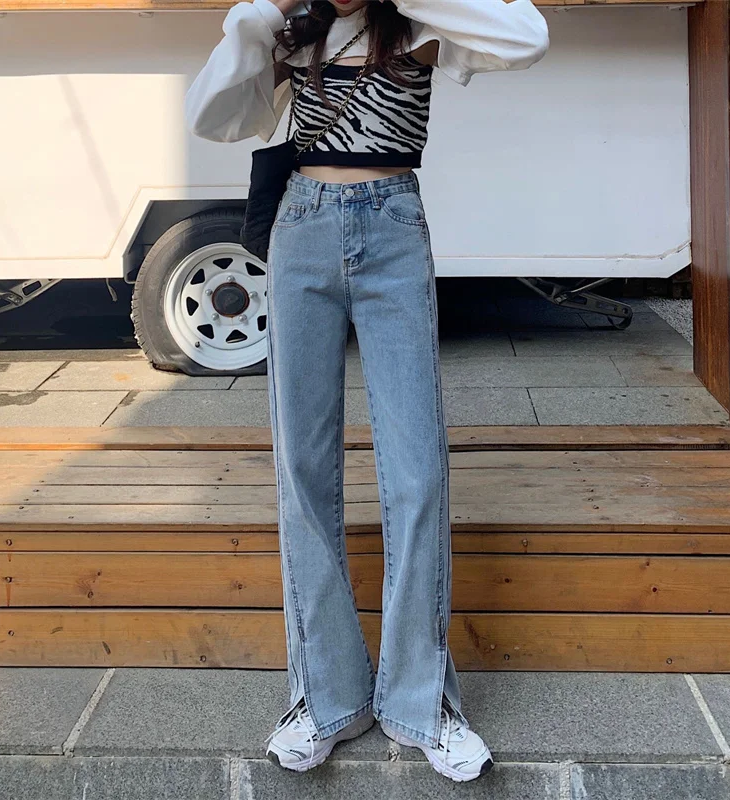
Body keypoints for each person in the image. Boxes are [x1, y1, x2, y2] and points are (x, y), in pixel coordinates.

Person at [185, 0, 548, 783]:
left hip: (393, 227)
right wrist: (259, 16)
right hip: (302, 228)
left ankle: (422, 702)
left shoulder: (417, 25)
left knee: (417, 473)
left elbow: (528, 36)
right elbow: (211, 117)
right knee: (303, 469)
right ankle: (324, 699)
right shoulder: (291, 31)